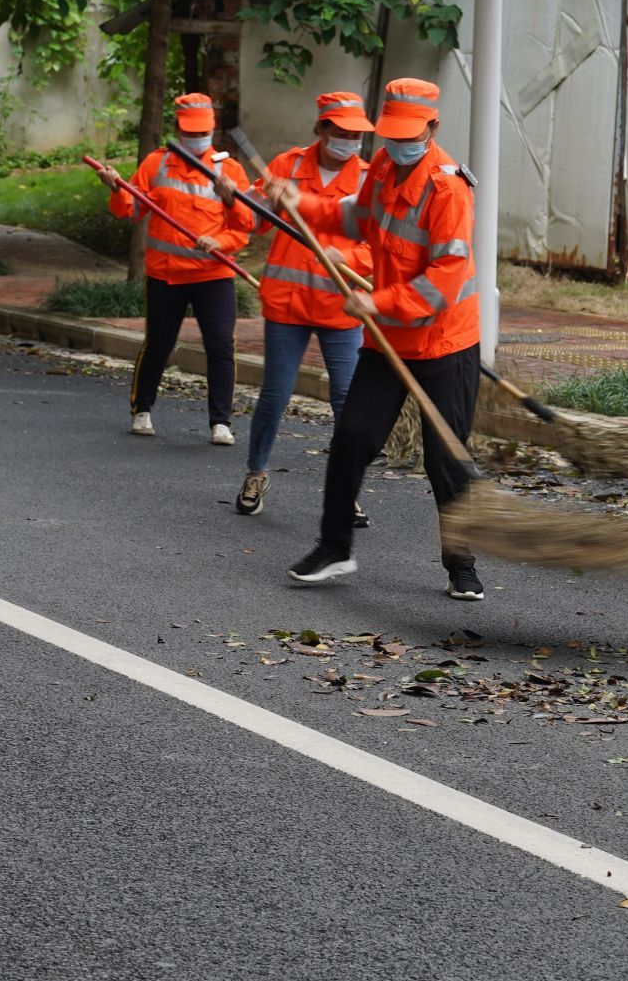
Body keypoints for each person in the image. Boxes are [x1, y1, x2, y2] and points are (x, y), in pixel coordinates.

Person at [265, 77, 485, 602]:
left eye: (411, 134)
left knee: (445, 461)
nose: (398, 144)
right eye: (391, 134)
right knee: (351, 440)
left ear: (433, 127)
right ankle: (334, 547)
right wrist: (302, 202)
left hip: (443, 343)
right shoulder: (384, 167)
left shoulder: (448, 190)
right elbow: (357, 217)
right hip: (387, 342)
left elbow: (446, 276)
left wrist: (377, 302)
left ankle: (461, 566)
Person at [234, 91, 377, 520]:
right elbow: (254, 223)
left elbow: (381, 244)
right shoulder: (287, 167)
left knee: (347, 401)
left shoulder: (370, 179)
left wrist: (349, 258)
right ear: (321, 128)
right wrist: (237, 196)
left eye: (357, 134)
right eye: (342, 131)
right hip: (288, 306)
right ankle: (256, 473)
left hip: (341, 307)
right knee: (274, 395)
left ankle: (345, 488)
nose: (350, 140)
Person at [97, 92, 253, 443]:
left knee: (220, 347)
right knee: (158, 344)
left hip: (213, 275)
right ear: (178, 129)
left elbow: (245, 225)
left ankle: (221, 421)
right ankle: (142, 410)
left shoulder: (230, 171)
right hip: (166, 274)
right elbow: (131, 210)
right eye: (190, 132)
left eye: (203, 132)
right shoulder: (157, 164)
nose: (197, 139)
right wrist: (116, 187)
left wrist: (222, 239)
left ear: (212, 129)